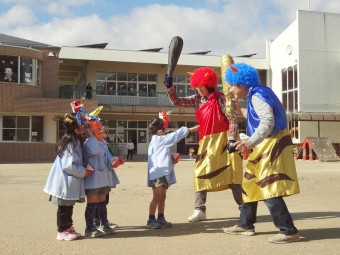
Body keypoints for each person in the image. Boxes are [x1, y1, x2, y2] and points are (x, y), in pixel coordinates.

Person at [222, 63, 300, 244]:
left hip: (272, 143)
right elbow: (255, 116)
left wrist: (250, 141)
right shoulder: (257, 93)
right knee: (250, 182)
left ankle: (288, 230)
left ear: (241, 83)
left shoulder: (257, 95)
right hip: (266, 143)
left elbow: (267, 122)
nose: (232, 89)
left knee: (267, 184)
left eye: (233, 85)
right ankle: (245, 224)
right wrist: (238, 109)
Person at [164, 67, 243, 222]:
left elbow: (232, 118)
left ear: (209, 84)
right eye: (197, 86)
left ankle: (244, 207)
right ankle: (200, 209)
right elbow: (177, 101)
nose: (199, 89)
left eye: (202, 86)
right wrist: (170, 87)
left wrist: (232, 139)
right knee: (200, 173)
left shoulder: (221, 98)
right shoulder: (196, 99)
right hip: (206, 141)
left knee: (232, 173)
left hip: (225, 139)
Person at [43, 113, 91, 241]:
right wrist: (83, 171)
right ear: (76, 130)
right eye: (82, 127)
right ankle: (61, 230)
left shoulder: (73, 140)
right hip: (64, 181)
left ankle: (68, 227)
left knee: (68, 206)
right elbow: (67, 165)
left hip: (69, 181)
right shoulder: (70, 143)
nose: (84, 129)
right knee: (64, 208)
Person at [147, 117, 200, 229]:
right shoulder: (158, 139)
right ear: (160, 131)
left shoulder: (158, 140)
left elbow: (160, 155)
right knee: (157, 196)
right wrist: (189, 129)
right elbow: (175, 136)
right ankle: (151, 219)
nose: (166, 132)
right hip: (158, 173)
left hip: (162, 172)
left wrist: (171, 159)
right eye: (164, 130)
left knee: (162, 196)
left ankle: (160, 217)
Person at [82, 107, 119, 237]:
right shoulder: (89, 142)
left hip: (103, 178)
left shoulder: (102, 143)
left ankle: (104, 224)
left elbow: (106, 159)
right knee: (92, 204)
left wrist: (113, 162)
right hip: (92, 179)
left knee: (102, 203)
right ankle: (90, 227)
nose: (102, 130)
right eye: (98, 128)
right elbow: (94, 152)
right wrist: (91, 135)